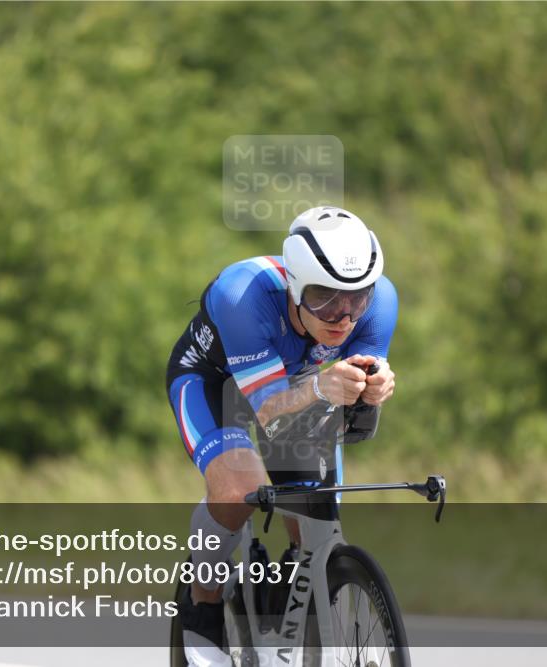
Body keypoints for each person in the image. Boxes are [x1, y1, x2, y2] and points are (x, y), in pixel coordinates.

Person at [164, 206, 398, 665]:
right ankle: (203, 599)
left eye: (356, 298)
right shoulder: (242, 294)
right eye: (325, 298)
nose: (343, 316)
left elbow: (351, 393)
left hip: (301, 384)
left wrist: (375, 386)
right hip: (216, 382)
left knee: (317, 511)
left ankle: (298, 601)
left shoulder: (380, 300)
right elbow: (267, 407)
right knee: (238, 490)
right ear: (294, 286)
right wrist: (320, 386)